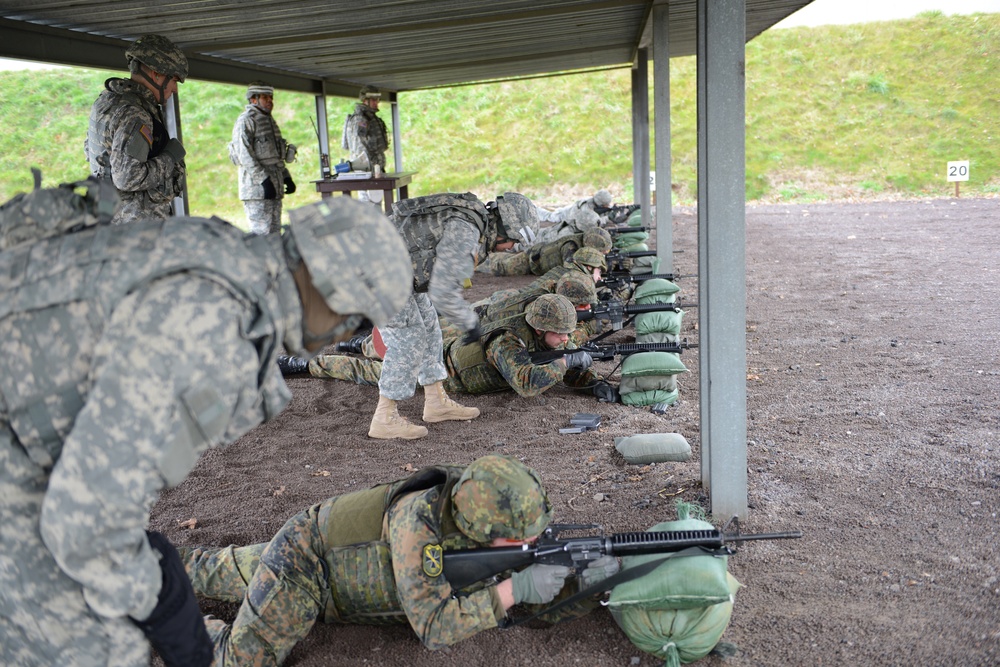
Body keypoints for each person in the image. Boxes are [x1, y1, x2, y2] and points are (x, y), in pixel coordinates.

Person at [0, 179, 413, 667]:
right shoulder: (216, 328)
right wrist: (164, 603)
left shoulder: (222, 253)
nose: (348, 334)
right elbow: (86, 524)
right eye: (359, 320)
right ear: (332, 286)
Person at [178, 455, 621, 663]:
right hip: (307, 564)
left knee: (205, 570)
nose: (534, 541)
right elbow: (432, 626)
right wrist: (516, 588)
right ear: (485, 529)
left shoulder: (478, 508)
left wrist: (584, 584)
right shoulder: (419, 526)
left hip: (340, 566)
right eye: (522, 540)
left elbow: (534, 593)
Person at [367, 191, 538, 440]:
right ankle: (384, 418)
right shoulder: (466, 233)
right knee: (410, 336)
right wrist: (470, 324)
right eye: (513, 241)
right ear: (504, 228)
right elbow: (442, 290)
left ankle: (436, 401)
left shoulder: (473, 222)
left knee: (429, 326)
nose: (511, 248)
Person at [293, 292, 619, 402]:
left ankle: (358, 344)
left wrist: (592, 382)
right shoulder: (506, 340)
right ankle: (304, 363)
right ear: (538, 328)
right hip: (443, 369)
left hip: (453, 344)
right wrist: (568, 362)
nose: (566, 340)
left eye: (567, 335)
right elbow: (526, 384)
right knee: (369, 370)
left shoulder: (555, 336)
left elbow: (567, 361)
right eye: (560, 334)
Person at [84, 34, 189, 225]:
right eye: (174, 80)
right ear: (157, 73)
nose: (174, 89)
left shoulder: (107, 101)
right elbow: (128, 178)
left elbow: (91, 150)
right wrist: (170, 157)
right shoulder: (135, 113)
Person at [229, 81, 297, 235]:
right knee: (262, 236)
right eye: (265, 98)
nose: (270, 101)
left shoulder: (269, 121)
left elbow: (274, 156)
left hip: (274, 189)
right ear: (254, 99)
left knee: (274, 234)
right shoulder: (246, 121)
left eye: (271, 98)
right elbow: (244, 155)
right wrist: (264, 181)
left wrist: (286, 177)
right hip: (257, 191)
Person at [478, 225, 613, 277]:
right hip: (532, 261)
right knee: (498, 267)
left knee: (501, 258)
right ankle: (472, 260)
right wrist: (596, 270)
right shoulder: (571, 246)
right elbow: (572, 269)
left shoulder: (582, 243)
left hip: (539, 257)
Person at [341, 85, 390, 203]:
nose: (376, 102)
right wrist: (371, 169)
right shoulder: (361, 120)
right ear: (365, 100)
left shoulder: (371, 118)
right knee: (369, 207)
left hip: (374, 171)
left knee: (375, 205)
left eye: (377, 99)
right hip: (367, 172)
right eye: (373, 99)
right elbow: (360, 150)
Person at [536, 188, 615, 227]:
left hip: (568, 211)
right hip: (563, 215)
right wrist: (608, 217)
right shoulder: (586, 210)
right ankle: (532, 209)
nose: (607, 206)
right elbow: (595, 222)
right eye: (606, 205)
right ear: (600, 204)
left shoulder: (592, 201)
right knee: (548, 216)